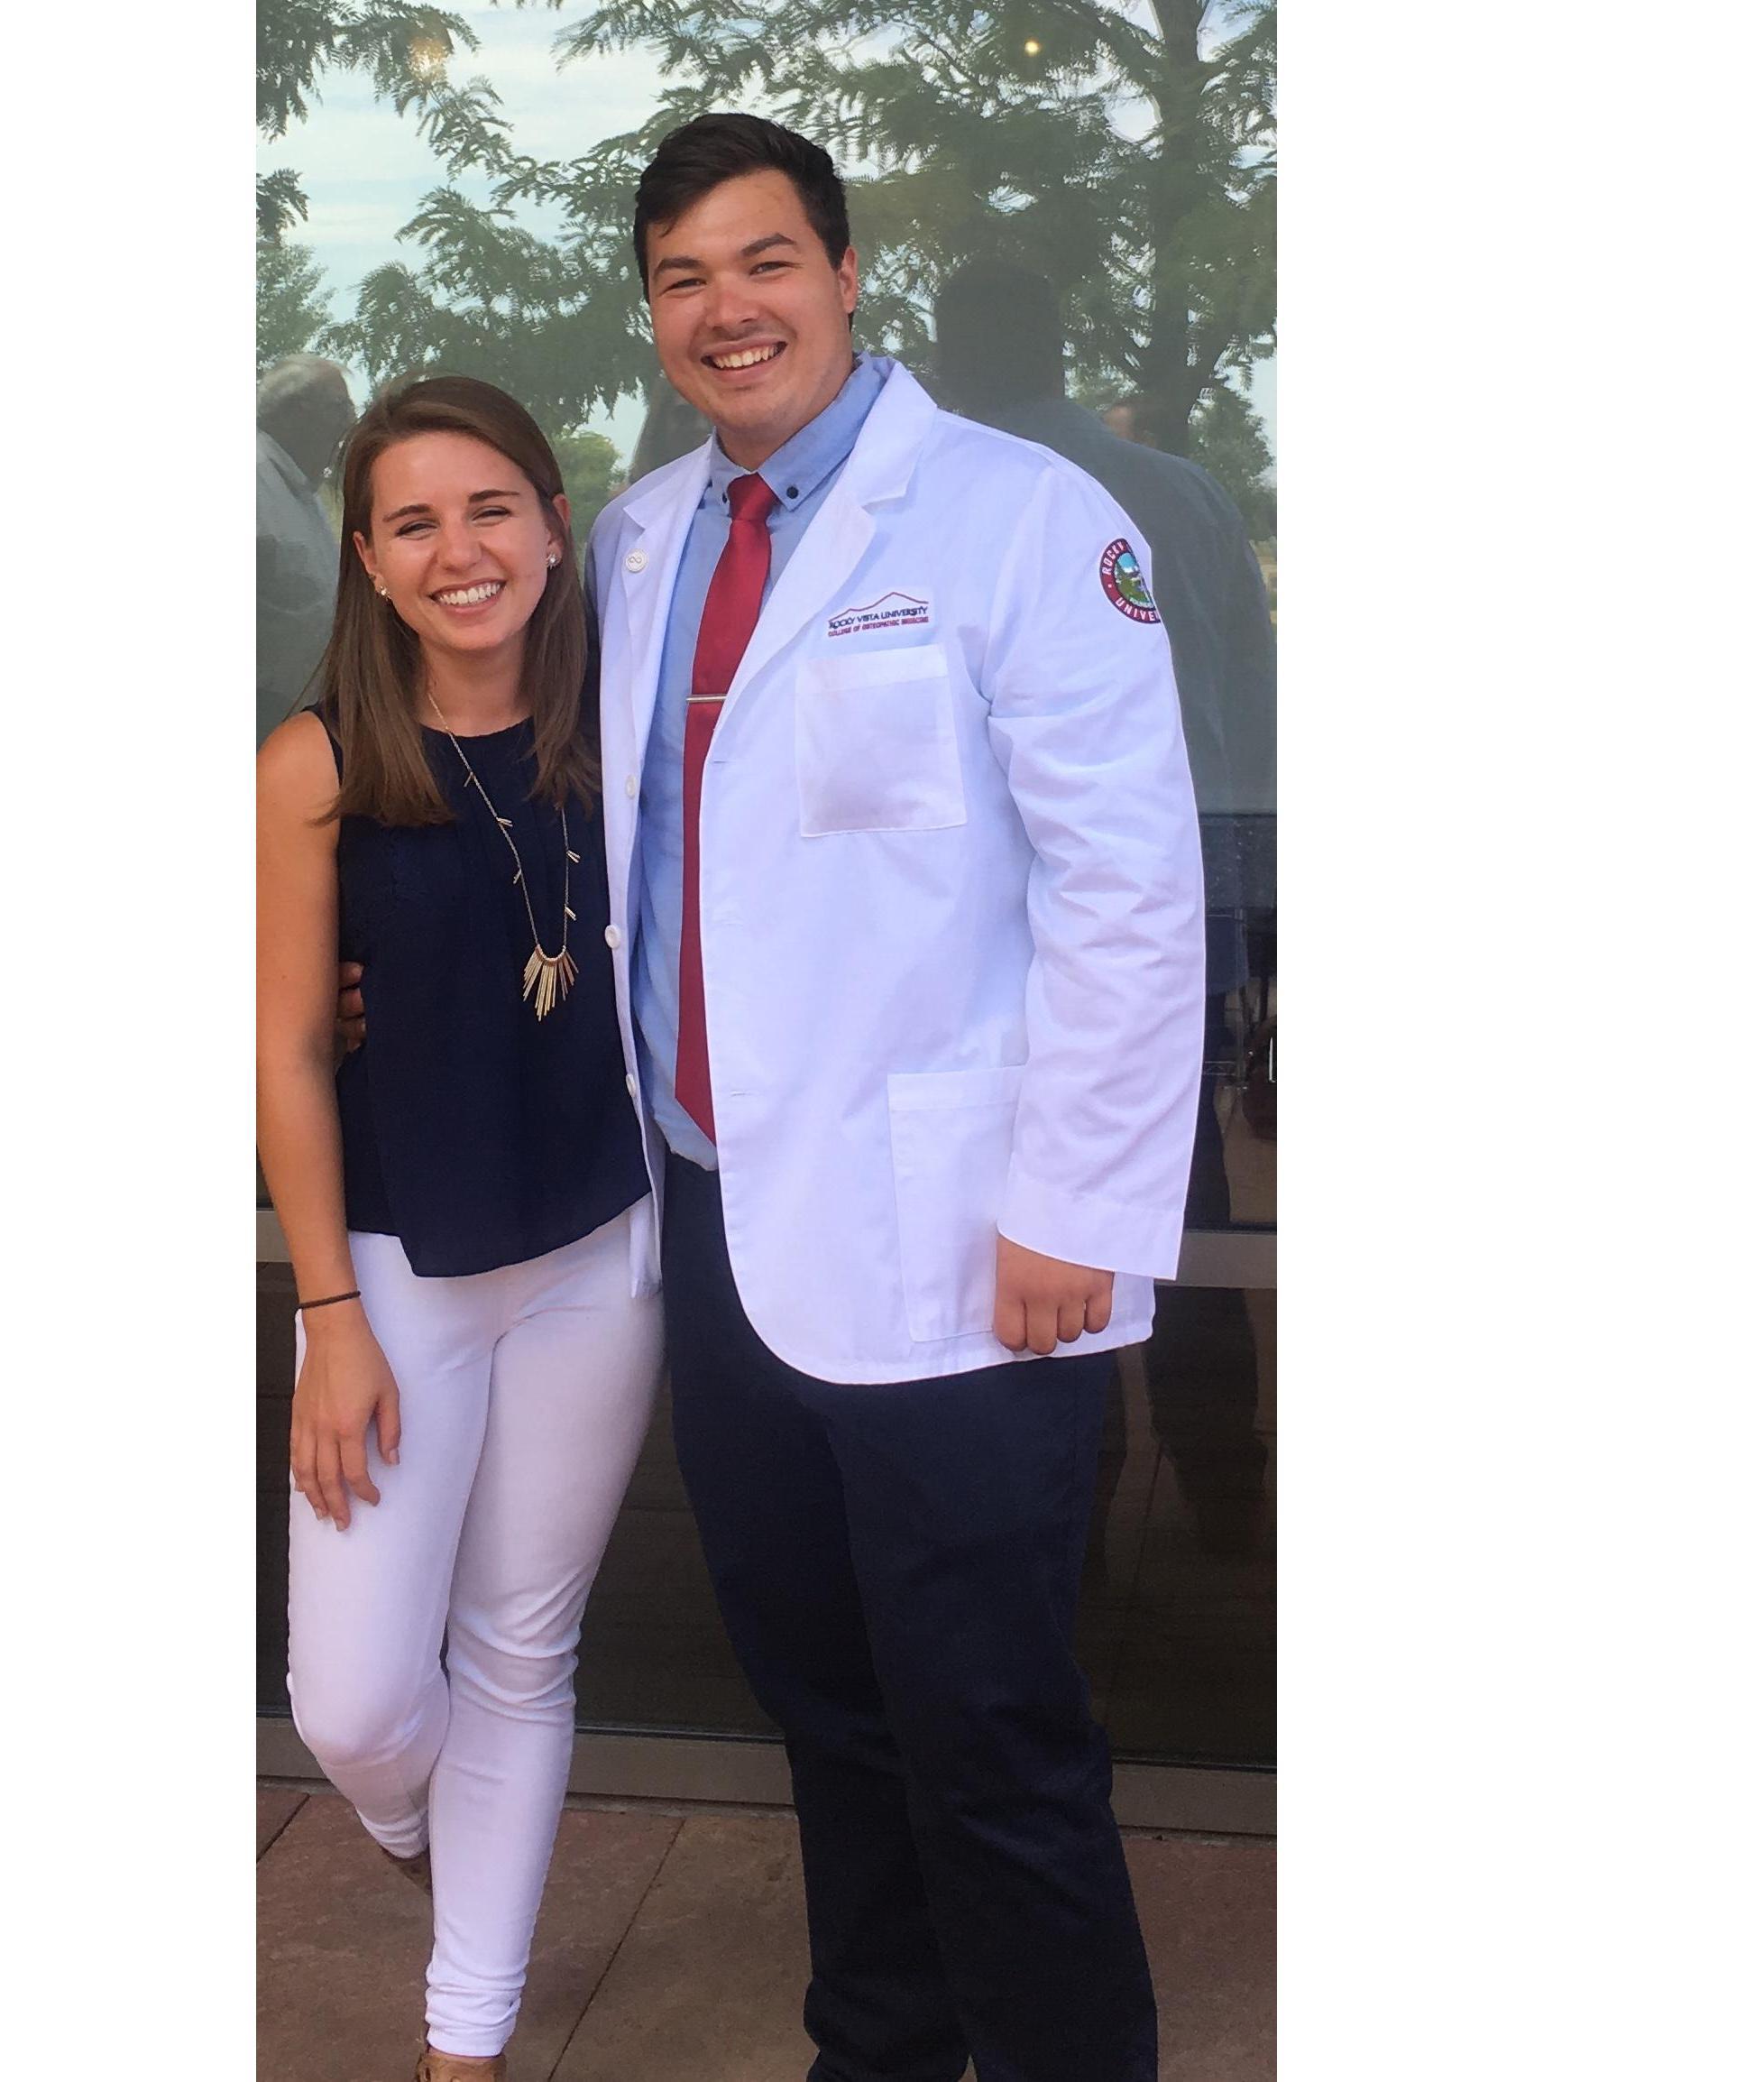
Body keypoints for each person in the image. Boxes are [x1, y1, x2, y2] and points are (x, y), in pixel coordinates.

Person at [343, 115, 1204, 2082]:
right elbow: (543, 809)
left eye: (761, 262)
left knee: (989, 1718)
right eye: (680, 280)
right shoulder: (636, 539)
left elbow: (1132, 893)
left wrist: (1075, 1199)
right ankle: (880, 2043)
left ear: (837, 273)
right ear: (651, 319)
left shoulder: (1011, 518)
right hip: (717, 1222)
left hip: (967, 1240)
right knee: (820, 1695)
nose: (726, 309)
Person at [257, 374, 661, 2082]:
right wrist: (324, 1309)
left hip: (595, 1259)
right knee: (352, 1702)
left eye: (491, 507)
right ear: (365, 557)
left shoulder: (627, 725)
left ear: (556, 529)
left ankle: (466, 2036)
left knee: (519, 1649)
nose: (460, 548)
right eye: (413, 521)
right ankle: (426, 1823)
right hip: (401, 1278)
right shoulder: (314, 764)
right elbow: (278, 1046)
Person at [933, 255, 1276, 1554]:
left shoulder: (942, 512)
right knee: (1179, 1209)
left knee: (995, 1232)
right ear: (1063, 347)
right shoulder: (1184, 500)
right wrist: (1250, 940)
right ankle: (1222, 1498)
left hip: (990, 954)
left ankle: (1064, 1519)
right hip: (1180, 928)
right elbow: (1253, 724)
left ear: (955, 359)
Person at [257, 354, 355, 744]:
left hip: (305, 720)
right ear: (297, 412)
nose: (349, 423)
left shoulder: (300, 490)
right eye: (340, 407)